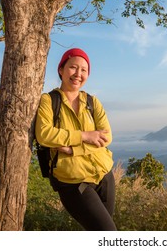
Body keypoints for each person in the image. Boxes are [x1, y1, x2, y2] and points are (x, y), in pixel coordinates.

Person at [35, 48, 116, 231]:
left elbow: (106, 137)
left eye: (84, 70)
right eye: (73, 67)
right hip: (73, 182)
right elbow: (44, 134)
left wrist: (73, 149)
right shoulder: (49, 101)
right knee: (108, 232)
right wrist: (86, 136)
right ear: (61, 69)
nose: (78, 74)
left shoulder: (92, 102)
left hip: (104, 175)